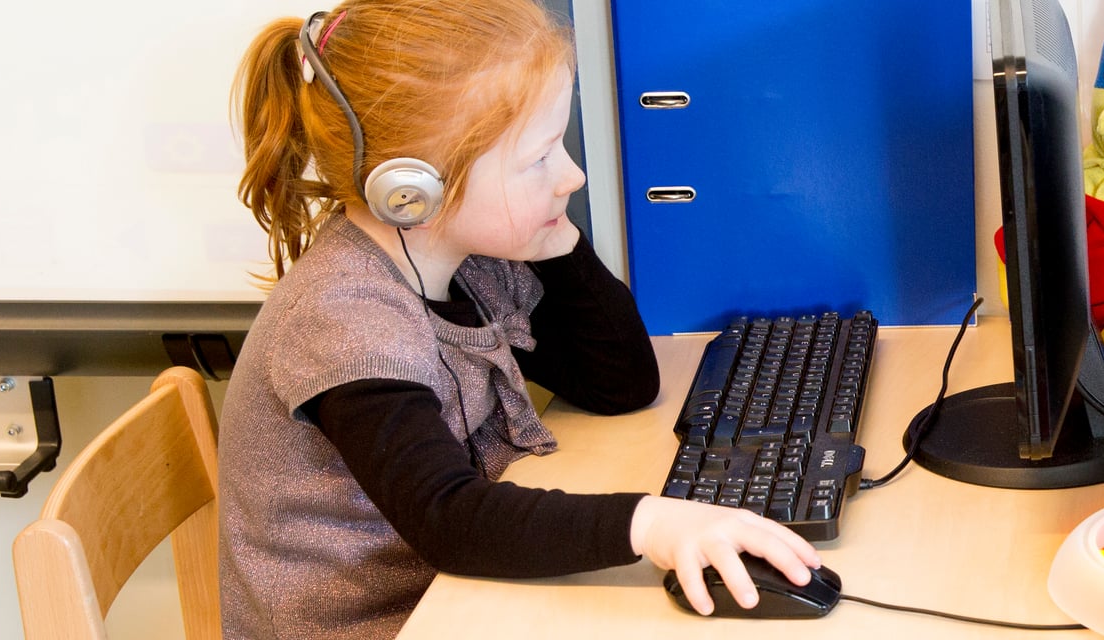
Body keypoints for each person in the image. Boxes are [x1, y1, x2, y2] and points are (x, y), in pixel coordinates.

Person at [217, 2, 817, 636]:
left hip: (454, 598)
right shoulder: (347, 321)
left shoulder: (468, 264)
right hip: (378, 625)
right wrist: (650, 523)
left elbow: (619, 383)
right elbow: (448, 519)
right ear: (412, 190)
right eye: (539, 158)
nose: (572, 176)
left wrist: (555, 235)